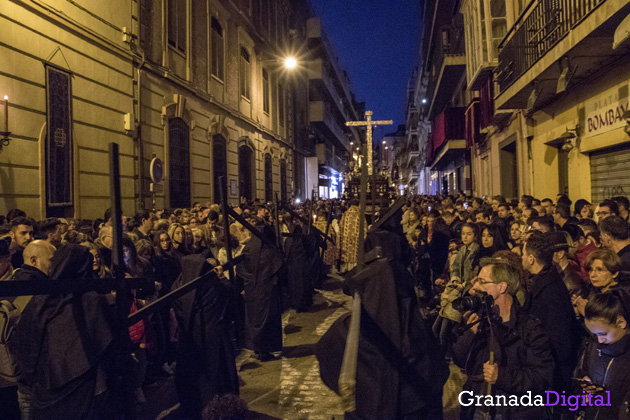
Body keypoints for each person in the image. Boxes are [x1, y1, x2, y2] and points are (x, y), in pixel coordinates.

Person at [13, 244, 120, 420]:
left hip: (44, 392)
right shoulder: (92, 301)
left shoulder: (40, 300)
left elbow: (25, 345)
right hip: (86, 391)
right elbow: (109, 345)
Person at [451, 259, 554, 420]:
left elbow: (542, 377)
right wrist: (470, 334)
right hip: (477, 408)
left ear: (502, 287)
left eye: (482, 281)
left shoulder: (529, 328)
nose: (475, 287)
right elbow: (458, 359)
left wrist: (503, 377)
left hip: (513, 411)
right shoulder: (479, 320)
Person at [171, 255, 239, 419]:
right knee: (217, 378)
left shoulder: (178, 286)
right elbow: (231, 299)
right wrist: (222, 278)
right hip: (215, 340)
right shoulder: (213, 285)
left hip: (190, 342)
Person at [521, 233, 581, 397]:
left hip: (554, 376)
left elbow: (559, 339)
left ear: (531, 258)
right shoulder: (543, 281)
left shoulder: (550, 291)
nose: (521, 257)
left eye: (523, 254)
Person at [574, 291, 630, 419]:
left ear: (621, 323)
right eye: (594, 333)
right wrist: (584, 386)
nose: (599, 340)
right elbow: (582, 371)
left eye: (602, 334)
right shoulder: (593, 345)